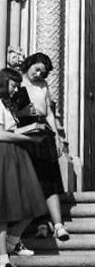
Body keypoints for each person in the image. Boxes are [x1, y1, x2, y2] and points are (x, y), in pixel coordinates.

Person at [18, 53, 69, 240]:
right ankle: (41, 223)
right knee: (32, 181)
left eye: (43, 71)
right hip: (25, 132)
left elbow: (48, 112)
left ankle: (58, 225)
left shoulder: (44, 85)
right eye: (36, 69)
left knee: (49, 179)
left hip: (43, 132)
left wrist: (56, 137)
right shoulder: (18, 82)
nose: (39, 73)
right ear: (29, 64)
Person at [0, 68, 47, 267]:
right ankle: (3, 256)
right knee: (4, 207)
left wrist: (31, 129)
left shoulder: (8, 105)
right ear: (3, 84)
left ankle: (12, 241)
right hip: (4, 154)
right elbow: (1, 135)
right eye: (13, 84)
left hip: (17, 153)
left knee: (32, 201)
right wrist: (28, 137)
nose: (16, 89)